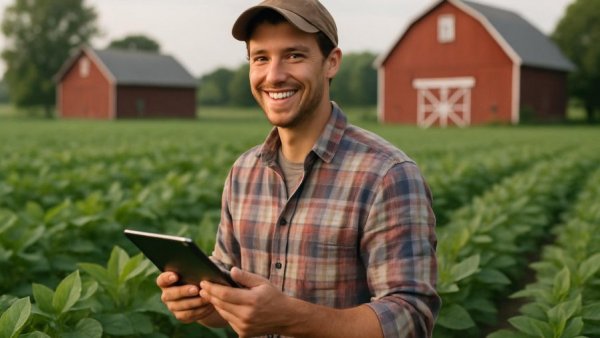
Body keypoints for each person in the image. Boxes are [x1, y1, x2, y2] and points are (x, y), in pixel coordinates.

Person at [157, 0, 440, 337]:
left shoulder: (387, 175)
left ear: (331, 62)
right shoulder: (244, 172)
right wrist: (201, 302)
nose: (274, 76)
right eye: (261, 58)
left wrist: (290, 317)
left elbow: (411, 318)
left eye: (294, 55)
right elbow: (233, 301)